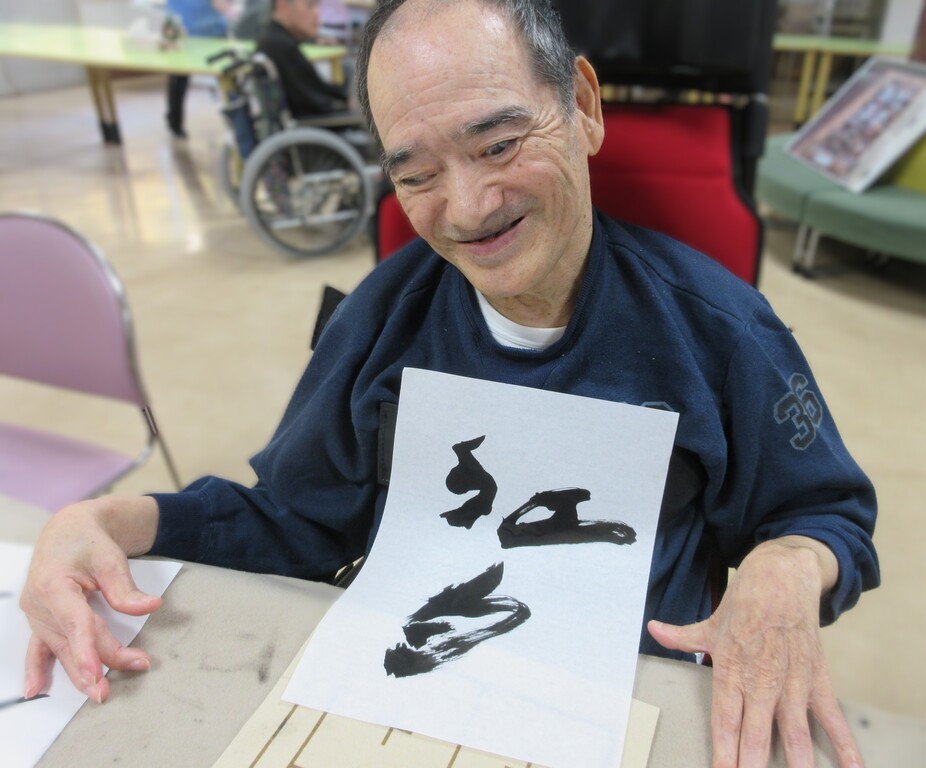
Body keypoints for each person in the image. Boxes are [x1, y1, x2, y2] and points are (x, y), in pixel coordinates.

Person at [20, 1, 880, 766]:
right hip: (405, 694)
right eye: (417, 174)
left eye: (498, 145)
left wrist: (788, 564)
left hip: (626, 706)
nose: (468, 208)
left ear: (583, 106)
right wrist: (105, 522)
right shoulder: (381, 322)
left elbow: (826, 514)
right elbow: (295, 520)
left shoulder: (720, 332)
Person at [257, 0, 350, 118]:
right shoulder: (280, 46)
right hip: (315, 124)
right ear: (283, 5)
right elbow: (314, 103)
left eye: (318, 5)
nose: (317, 13)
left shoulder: (275, 39)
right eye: (309, 5)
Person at [165, 0, 232, 138]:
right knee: (228, 79)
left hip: (189, 33)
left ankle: (174, 123)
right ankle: (238, 120)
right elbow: (223, 6)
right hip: (200, 34)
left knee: (178, 80)